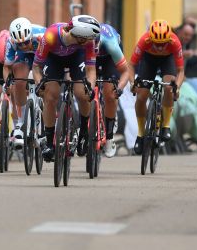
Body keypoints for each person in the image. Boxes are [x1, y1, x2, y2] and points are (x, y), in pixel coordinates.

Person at [32, 15, 102, 160]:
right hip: (54, 58)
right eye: (88, 38)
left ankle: (83, 132)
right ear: (80, 37)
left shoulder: (88, 42)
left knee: (82, 93)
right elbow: (36, 67)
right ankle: (49, 142)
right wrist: (39, 84)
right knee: (50, 96)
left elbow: (91, 70)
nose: (91, 41)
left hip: (77, 57)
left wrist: (90, 87)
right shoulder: (50, 36)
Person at [130, 19, 185, 153]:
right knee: (141, 96)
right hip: (149, 60)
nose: (160, 47)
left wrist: (177, 86)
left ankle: (166, 126)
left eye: (163, 44)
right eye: (157, 44)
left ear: (169, 39)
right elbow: (130, 65)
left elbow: (180, 71)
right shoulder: (144, 40)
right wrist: (133, 83)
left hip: (168, 60)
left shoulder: (174, 41)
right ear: (150, 38)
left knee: (168, 88)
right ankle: (141, 134)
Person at [95, 23, 132, 157]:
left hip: (109, 58)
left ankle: (109, 136)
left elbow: (126, 71)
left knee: (110, 95)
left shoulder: (110, 43)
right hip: (90, 59)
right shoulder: (81, 43)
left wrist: (120, 88)